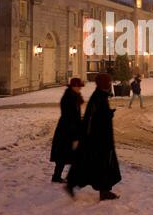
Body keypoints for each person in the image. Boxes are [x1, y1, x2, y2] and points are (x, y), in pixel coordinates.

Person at [66, 73, 121, 201]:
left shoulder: (99, 96)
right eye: (108, 83)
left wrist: (108, 113)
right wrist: (108, 115)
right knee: (94, 163)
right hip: (99, 139)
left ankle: (103, 190)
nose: (110, 85)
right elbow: (96, 119)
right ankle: (101, 190)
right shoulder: (98, 97)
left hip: (99, 137)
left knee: (95, 164)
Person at [50, 77, 84, 183]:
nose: (80, 89)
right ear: (73, 87)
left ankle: (59, 176)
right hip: (66, 129)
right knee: (63, 154)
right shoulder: (69, 98)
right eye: (78, 87)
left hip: (69, 128)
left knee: (67, 154)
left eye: (80, 87)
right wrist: (75, 131)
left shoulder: (74, 96)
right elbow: (69, 115)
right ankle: (57, 176)